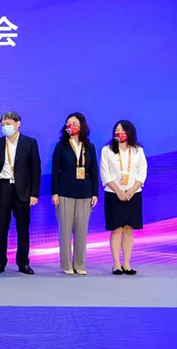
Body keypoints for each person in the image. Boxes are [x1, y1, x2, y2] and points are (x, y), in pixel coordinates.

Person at [0, 111, 41, 275]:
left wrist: (34, 193)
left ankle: (23, 263)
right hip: (2, 188)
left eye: (8, 123)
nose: (5, 127)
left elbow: (35, 170)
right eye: (3, 124)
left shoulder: (29, 142)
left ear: (17, 124)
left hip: (22, 190)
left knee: (23, 228)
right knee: (1, 227)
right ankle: (0, 262)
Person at [51, 112, 99, 275]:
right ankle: (66, 264)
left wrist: (95, 193)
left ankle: (80, 264)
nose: (71, 125)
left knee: (81, 231)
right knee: (65, 230)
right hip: (65, 191)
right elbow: (55, 171)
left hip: (85, 192)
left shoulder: (90, 147)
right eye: (69, 122)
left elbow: (94, 171)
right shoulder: (61, 146)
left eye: (75, 123)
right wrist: (55, 192)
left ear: (82, 126)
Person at [100, 120, 147, 275]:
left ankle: (126, 264)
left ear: (129, 132)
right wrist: (118, 191)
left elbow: (142, 173)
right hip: (113, 194)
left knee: (128, 230)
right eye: (117, 130)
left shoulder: (138, 150)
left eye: (122, 130)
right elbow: (105, 173)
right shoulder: (107, 150)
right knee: (116, 229)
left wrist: (132, 190)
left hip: (133, 194)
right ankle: (116, 264)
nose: (119, 132)